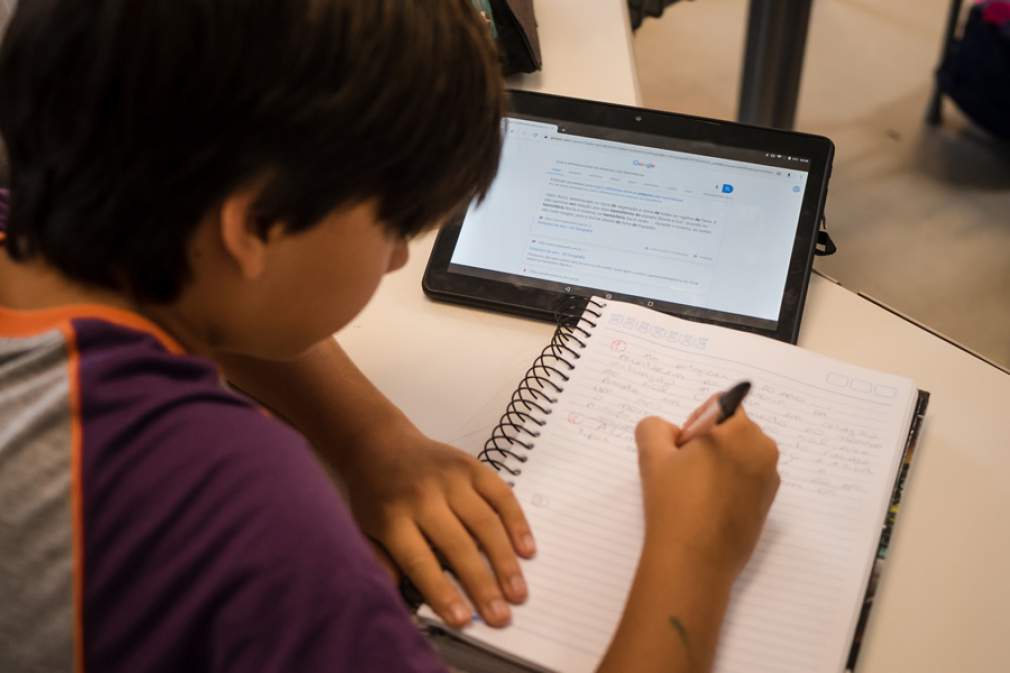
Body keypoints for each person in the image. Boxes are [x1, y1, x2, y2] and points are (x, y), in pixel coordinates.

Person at [0, 2, 779, 672]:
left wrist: (370, 437)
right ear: (256, 226)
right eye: (394, 226)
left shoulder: (47, 224)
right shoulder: (240, 518)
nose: (400, 259)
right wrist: (698, 549)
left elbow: (191, 275)